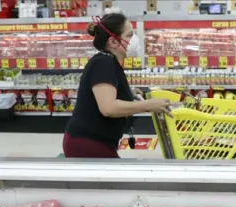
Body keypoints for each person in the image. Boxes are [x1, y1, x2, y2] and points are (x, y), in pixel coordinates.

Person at [63, 11, 171, 158]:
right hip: (88, 143)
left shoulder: (109, 62)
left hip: (96, 141)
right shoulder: (104, 63)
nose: (134, 39)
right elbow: (108, 108)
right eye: (129, 35)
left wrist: (128, 93)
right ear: (113, 42)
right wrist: (149, 105)